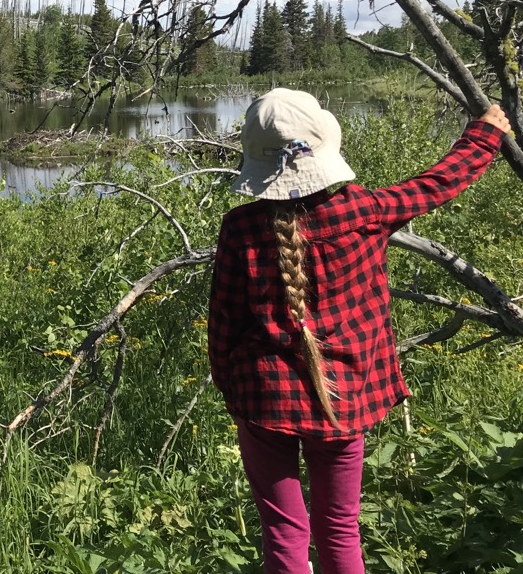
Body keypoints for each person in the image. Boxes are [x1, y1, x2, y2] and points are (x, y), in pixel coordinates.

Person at [208, 88, 511, 574]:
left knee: (283, 531)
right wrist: (483, 136)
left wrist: (232, 392)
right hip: (345, 398)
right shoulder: (363, 210)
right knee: (340, 527)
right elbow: (436, 184)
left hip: (264, 398)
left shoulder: (239, 227)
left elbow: (224, 322)